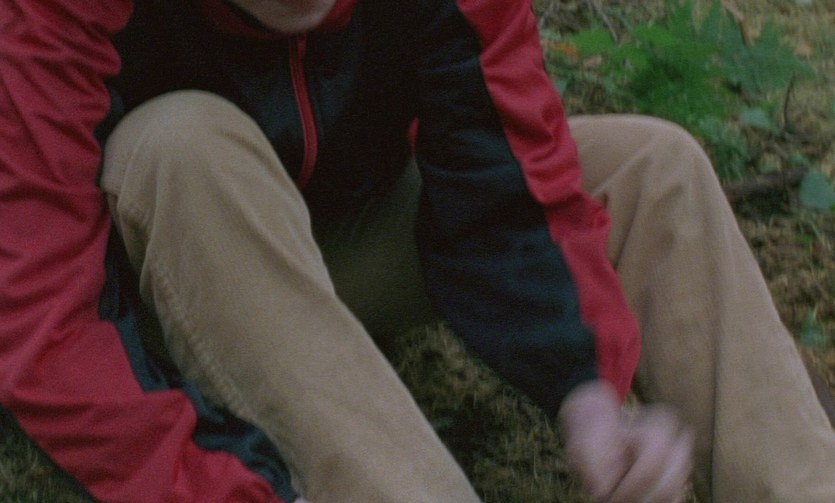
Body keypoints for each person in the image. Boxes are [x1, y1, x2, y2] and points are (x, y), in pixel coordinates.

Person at [1, 0, 832, 501]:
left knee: (652, 167)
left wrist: (585, 388)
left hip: (340, 240)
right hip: (154, 280)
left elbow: (508, 174)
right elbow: (45, 321)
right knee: (180, 142)